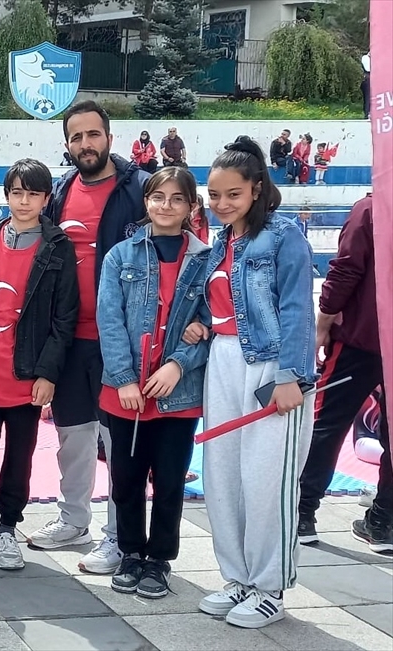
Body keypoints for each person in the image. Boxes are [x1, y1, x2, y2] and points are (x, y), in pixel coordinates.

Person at [187, 136, 316, 629]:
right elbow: (220, 304)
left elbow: (298, 309)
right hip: (223, 361)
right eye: (214, 195)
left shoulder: (284, 237)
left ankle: (270, 587)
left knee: (266, 481)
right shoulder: (220, 242)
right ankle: (237, 577)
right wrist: (199, 325)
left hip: (270, 365)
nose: (221, 204)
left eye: (233, 195)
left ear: (257, 189)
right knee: (223, 476)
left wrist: (291, 376)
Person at [33, 100, 149, 575]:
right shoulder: (60, 191)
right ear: (67, 144)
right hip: (69, 338)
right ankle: (73, 520)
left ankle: (119, 537)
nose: (85, 144)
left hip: (118, 340)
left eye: (93, 134)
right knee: (72, 435)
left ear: (109, 138)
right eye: (76, 137)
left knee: (116, 441)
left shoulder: (139, 189)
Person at [0, 158, 78, 570]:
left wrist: (48, 373)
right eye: (17, 193)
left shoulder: (58, 246)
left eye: (33, 194)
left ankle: (8, 527)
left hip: (26, 374)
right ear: (6, 195)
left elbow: (64, 317)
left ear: (46, 198)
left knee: (20, 456)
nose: (24, 201)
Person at [97, 165, 210, 599]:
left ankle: (159, 559)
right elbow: (109, 321)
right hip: (126, 392)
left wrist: (178, 364)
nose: (166, 205)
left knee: (169, 482)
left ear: (191, 207)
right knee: (125, 479)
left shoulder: (206, 260)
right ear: (146, 202)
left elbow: (213, 323)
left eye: (177, 198)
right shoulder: (120, 256)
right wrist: (124, 379)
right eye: (158, 197)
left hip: (178, 394)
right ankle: (130, 552)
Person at [298, 193, 390, 552]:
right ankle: (383, 521)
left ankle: (302, 513)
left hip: (361, 338)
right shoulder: (370, 209)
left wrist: (324, 318)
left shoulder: (370, 209)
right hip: (368, 335)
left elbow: (347, 269)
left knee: (327, 424)